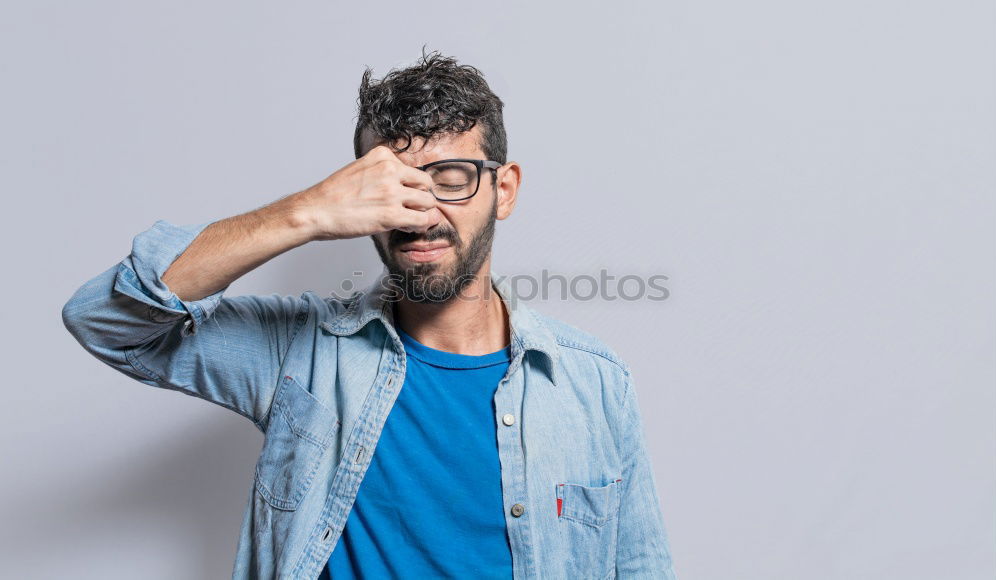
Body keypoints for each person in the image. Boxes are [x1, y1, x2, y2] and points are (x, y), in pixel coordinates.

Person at [61, 48, 678, 580]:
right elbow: (105, 321)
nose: (419, 212)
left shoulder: (594, 384)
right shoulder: (299, 354)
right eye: (391, 186)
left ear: (505, 189)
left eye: (452, 177)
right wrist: (304, 213)